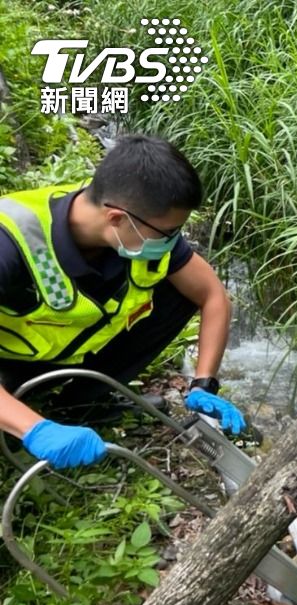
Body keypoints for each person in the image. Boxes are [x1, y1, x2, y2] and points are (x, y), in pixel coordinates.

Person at [0, 134, 245, 471]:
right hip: (10, 362)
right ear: (116, 218)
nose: (174, 240)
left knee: (178, 293)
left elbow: (213, 295)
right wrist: (35, 429)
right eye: (169, 232)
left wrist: (204, 384)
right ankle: (30, 415)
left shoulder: (132, 220)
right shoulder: (9, 244)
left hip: (72, 352)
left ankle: (81, 405)